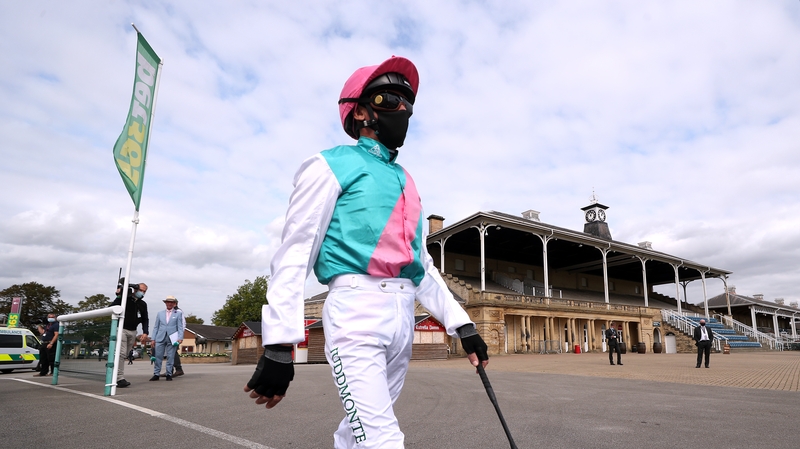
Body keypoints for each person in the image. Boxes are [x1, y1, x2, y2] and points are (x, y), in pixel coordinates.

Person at [244, 56, 489, 448]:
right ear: (359, 112)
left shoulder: (407, 180)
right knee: (382, 439)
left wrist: (463, 325)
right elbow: (295, 251)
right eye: (389, 99)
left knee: (357, 430)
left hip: (403, 316)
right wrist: (278, 341)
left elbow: (421, 266)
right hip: (356, 313)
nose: (402, 109)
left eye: (407, 102)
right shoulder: (330, 164)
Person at [111, 279, 149, 388]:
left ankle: (112, 367)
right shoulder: (125, 299)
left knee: (126, 354)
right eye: (141, 290)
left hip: (133, 331)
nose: (142, 292)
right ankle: (119, 378)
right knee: (121, 353)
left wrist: (145, 332)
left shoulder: (142, 304)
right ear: (135, 289)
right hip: (122, 329)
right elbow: (112, 307)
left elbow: (145, 318)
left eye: (144, 291)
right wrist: (119, 296)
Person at [150, 295, 184, 381]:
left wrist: (180, 337)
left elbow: (180, 326)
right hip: (160, 337)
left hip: (172, 338)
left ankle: (169, 374)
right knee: (158, 356)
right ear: (165, 303)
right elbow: (156, 327)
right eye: (168, 302)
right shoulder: (160, 313)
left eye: (171, 302)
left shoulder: (178, 313)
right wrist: (153, 339)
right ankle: (156, 373)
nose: (169, 304)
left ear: (174, 303)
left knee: (170, 356)